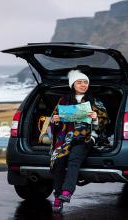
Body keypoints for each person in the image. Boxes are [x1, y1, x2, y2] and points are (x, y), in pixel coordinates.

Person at [50, 69, 110, 213]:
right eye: (80, 82)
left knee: (74, 159)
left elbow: (105, 122)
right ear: (73, 84)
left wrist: (96, 118)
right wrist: (55, 120)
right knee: (58, 160)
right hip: (66, 138)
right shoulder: (63, 100)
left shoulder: (95, 101)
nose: (83, 85)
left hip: (87, 137)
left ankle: (67, 192)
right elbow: (53, 120)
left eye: (85, 82)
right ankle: (58, 196)